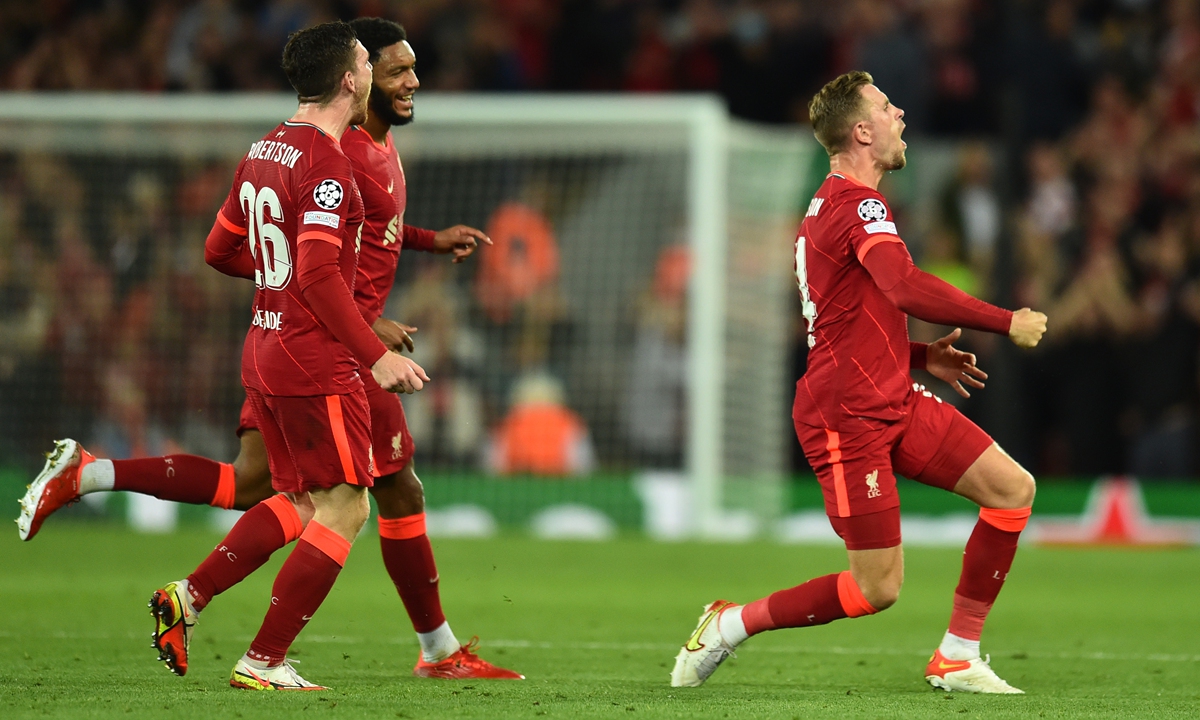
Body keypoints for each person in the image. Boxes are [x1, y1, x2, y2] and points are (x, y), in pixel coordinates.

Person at [17, 19, 521, 685]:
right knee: (355, 501)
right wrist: (371, 347)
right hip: (324, 352)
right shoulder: (336, 161)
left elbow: (224, 249)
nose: (403, 79)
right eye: (383, 65)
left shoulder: (269, 147)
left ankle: (166, 569)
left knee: (270, 492)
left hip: (269, 340)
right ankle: (280, 658)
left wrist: (388, 253)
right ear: (352, 78)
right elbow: (318, 270)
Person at [670, 71, 1048, 694]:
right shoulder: (857, 205)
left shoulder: (830, 205)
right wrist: (1006, 321)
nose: (901, 112)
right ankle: (732, 622)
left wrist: (920, 357)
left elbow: (847, 318)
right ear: (863, 131)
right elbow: (903, 286)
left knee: (1011, 490)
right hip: (847, 416)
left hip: (888, 394)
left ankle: (957, 655)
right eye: (886, 106)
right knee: (878, 588)